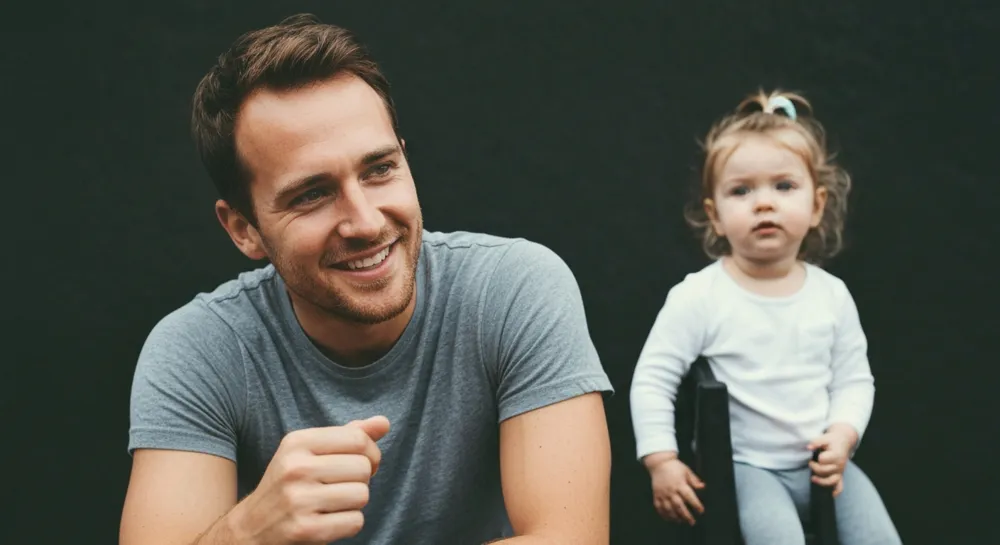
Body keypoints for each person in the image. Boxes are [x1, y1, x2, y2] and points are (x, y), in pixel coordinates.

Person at [119, 13, 613, 545]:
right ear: (244, 229)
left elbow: (571, 538)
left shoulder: (513, 290)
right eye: (312, 194)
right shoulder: (199, 349)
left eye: (379, 169)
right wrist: (247, 533)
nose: (367, 222)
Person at [629, 90, 901, 544]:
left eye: (784, 186)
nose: (763, 203)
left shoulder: (831, 296)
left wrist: (843, 435)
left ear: (817, 206)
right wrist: (661, 459)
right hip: (748, 469)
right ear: (715, 216)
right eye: (741, 190)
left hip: (824, 464)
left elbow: (854, 380)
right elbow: (653, 379)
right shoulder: (700, 296)